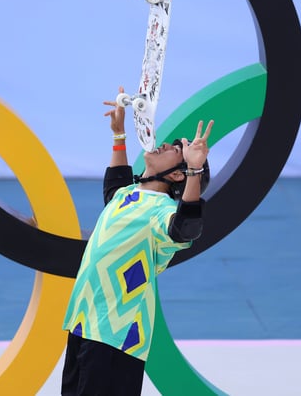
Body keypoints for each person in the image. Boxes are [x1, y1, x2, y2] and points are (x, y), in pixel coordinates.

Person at [61, 86, 213, 396]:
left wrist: (195, 169)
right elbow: (114, 187)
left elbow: (187, 228)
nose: (166, 143)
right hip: (85, 322)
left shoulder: (164, 213)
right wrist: (119, 136)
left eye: (175, 148)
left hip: (117, 334)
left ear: (176, 176)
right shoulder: (128, 195)